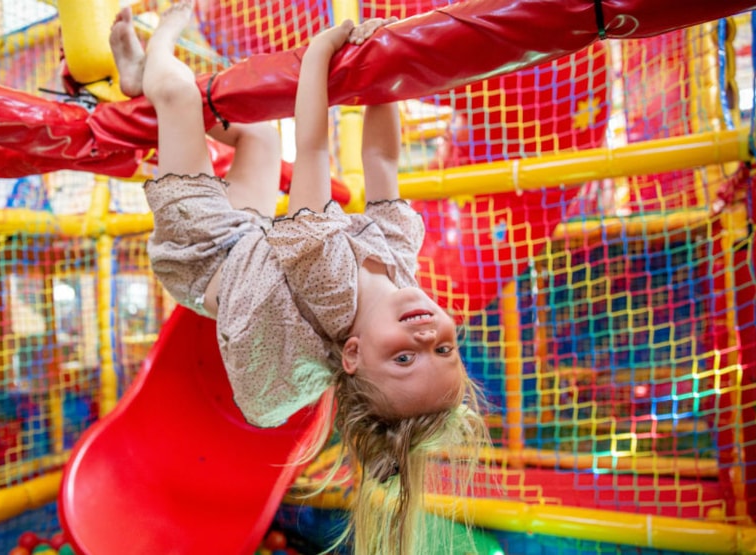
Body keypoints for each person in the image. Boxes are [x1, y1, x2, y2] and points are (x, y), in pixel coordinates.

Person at [110, 3, 487, 553]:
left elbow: (311, 148)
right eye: (445, 350)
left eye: (404, 357)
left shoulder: (332, 283)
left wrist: (319, 56)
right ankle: (135, 80)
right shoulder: (401, 260)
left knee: (182, 99)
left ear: (354, 354)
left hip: (205, 251)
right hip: (251, 244)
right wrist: (384, 75)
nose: (428, 337)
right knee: (258, 136)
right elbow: (381, 162)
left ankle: (154, 57)